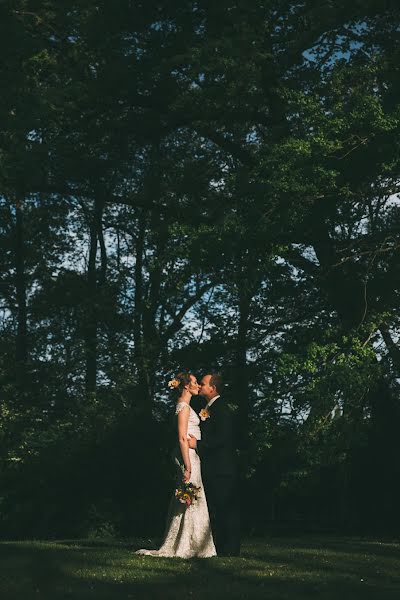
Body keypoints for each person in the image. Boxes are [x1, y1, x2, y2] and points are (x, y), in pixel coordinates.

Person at [135, 372, 216, 559]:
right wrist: (187, 466)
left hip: (191, 455)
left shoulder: (185, 406)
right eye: (195, 383)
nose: (197, 385)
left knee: (193, 497)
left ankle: (195, 542)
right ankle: (187, 543)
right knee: (190, 496)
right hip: (187, 456)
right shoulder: (183, 407)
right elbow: (181, 438)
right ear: (186, 386)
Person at [188, 373, 241, 556]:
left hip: (222, 468)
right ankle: (220, 547)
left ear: (213, 388)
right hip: (214, 467)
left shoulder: (221, 409)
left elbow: (222, 439)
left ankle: (231, 550)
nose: (200, 386)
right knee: (217, 509)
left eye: (203, 384)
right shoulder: (209, 408)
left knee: (226, 509)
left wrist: (198, 445)